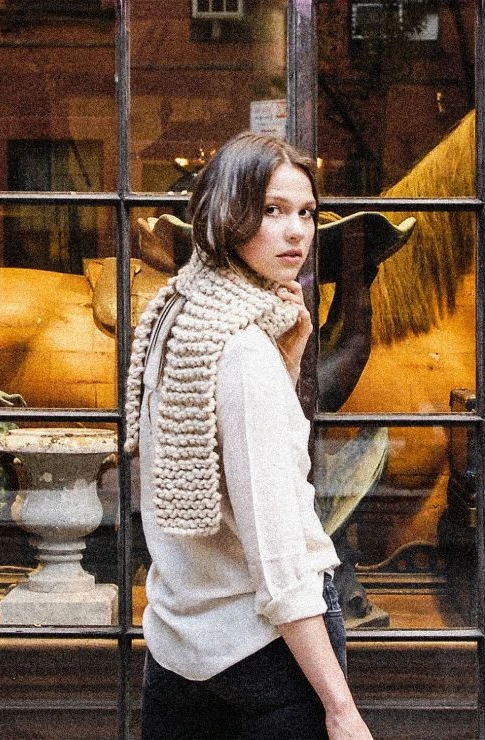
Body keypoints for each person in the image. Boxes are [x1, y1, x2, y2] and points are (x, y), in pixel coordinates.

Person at [125, 132, 373, 739]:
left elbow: (233, 469)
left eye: (307, 213)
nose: (296, 233)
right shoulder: (240, 350)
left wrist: (288, 360)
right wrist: (340, 708)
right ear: (226, 214)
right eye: (271, 210)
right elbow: (277, 547)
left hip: (179, 648)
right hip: (269, 654)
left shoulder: (174, 314)